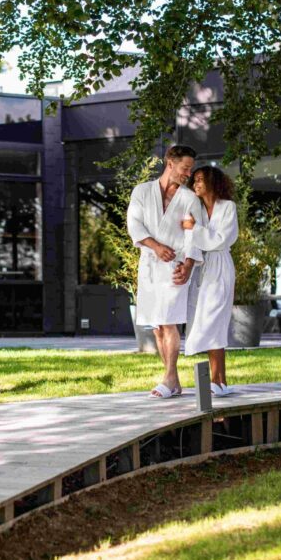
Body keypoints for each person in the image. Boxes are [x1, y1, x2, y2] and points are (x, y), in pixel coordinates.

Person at [127, 145, 203, 398]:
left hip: (175, 267)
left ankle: (169, 378)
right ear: (170, 163)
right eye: (185, 168)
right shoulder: (142, 191)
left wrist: (189, 266)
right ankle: (174, 380)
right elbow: (134, 224)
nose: (188, 174)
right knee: (158, 325)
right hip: (149, 264)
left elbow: (195, 235)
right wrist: (155, 247)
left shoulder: (189, 198)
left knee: (169, 322)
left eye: (190, 169)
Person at [182, 166, 238, 396]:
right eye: (194, 181)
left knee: (215, 320)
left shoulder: (227, 207)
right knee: (205, 320)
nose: (195, 184)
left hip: (221, 267)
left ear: (212, 182)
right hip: (202, 269)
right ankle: (220, 382)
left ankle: (217, 381)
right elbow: (191, 241)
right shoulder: (196, 209)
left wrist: (194, 229)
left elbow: (222, 240)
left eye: (200, 180)